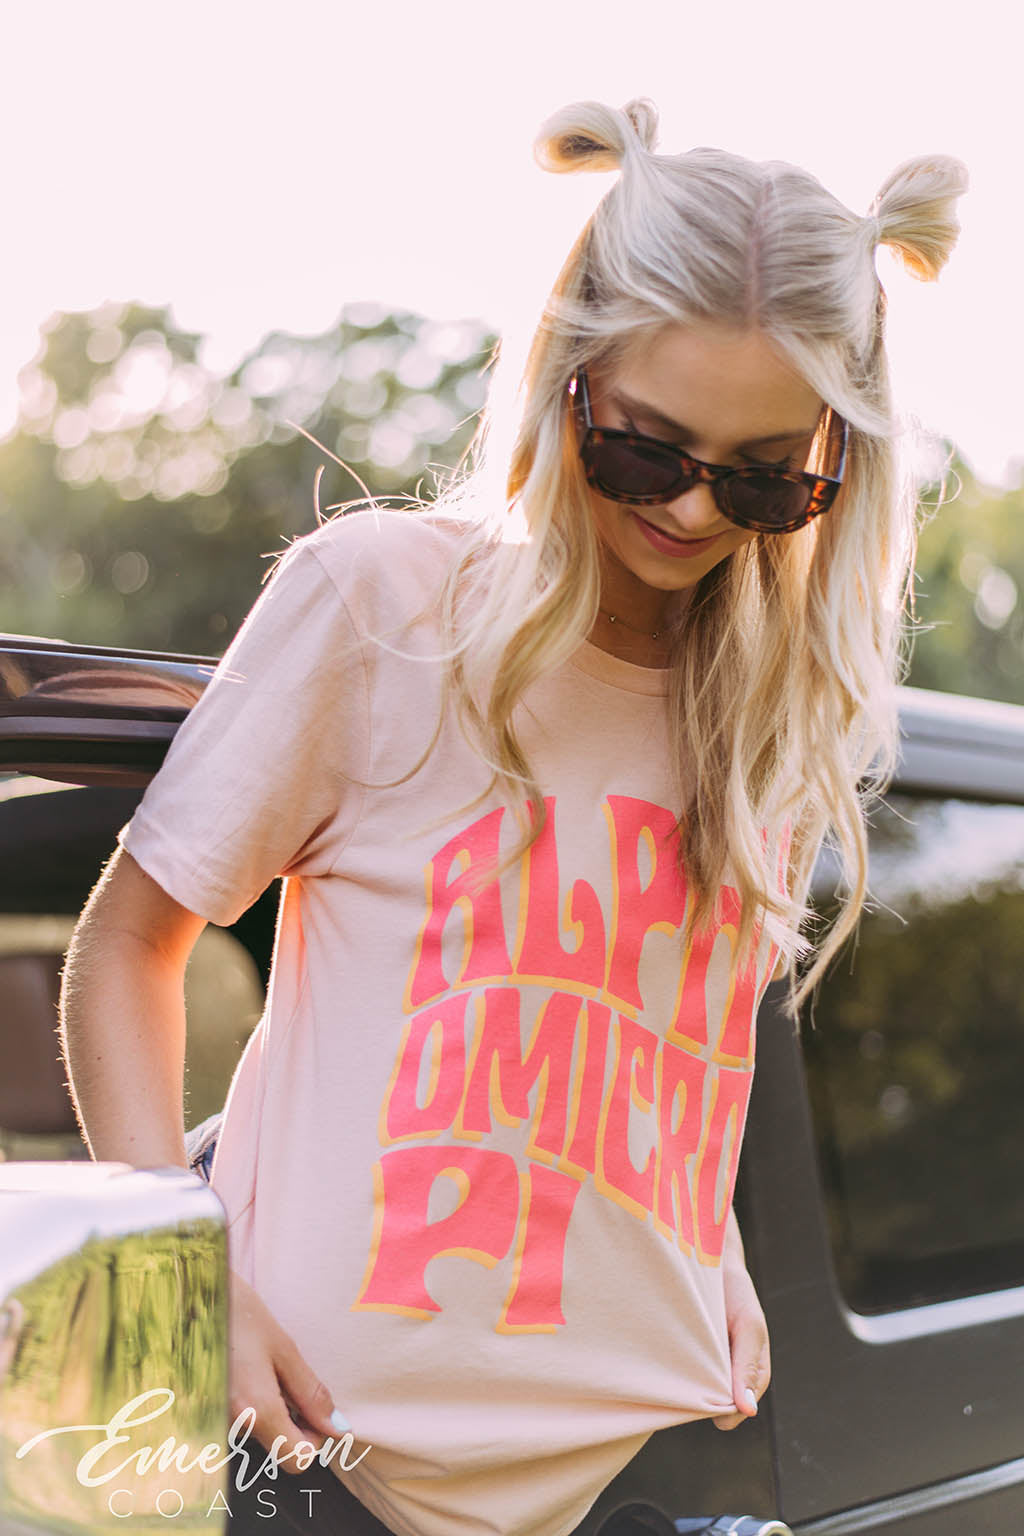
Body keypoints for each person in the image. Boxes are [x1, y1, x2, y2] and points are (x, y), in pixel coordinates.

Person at [59, 98, 968, 1536]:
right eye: (648, 452)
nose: (693, 515)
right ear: (567, 379)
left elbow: (676, 1040)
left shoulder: (777, 717)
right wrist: (180, 1277)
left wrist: (713, 1248)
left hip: (633, 1471)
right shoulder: (382, 606)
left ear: (832, 471)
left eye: (761, 478)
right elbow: (125, 949)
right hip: (301, 1474)